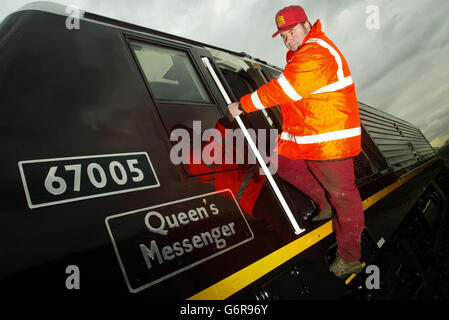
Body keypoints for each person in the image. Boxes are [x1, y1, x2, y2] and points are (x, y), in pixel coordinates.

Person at [227, 5, 365, 278]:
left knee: (344, 198)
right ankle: (325, 205)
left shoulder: (316, 51)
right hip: (308, 138)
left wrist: (242, 104)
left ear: (306, 25)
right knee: (282, 163)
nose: (288, 39)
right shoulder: (299, 57)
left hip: (329, 143)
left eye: (291, 32)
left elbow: (286, 90)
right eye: (283, 36)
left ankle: (350, 257)